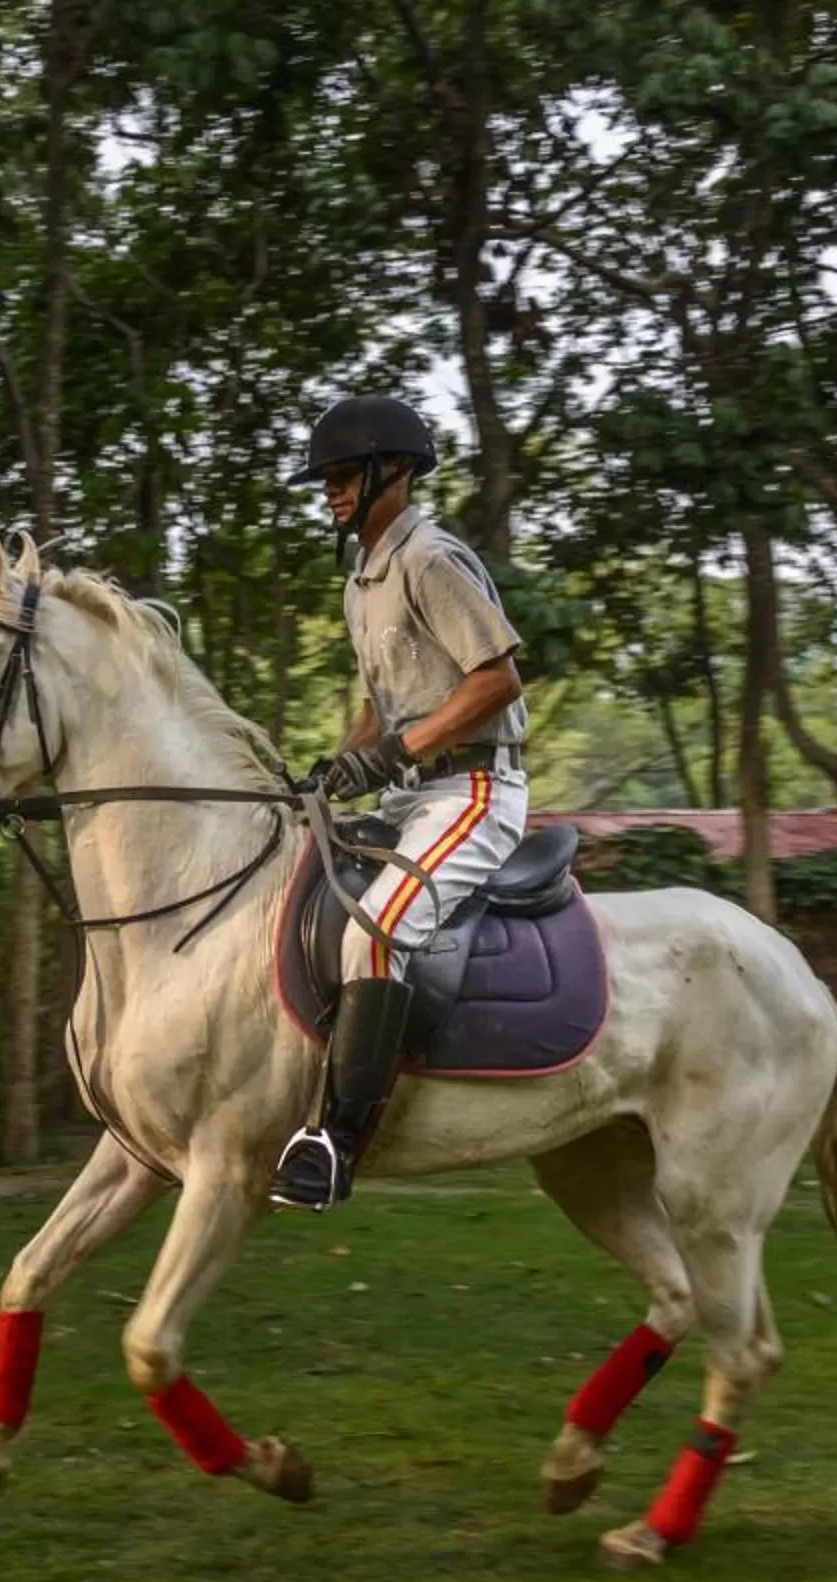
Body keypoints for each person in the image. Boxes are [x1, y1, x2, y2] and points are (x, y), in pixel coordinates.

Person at [272, 393, 533, 1211]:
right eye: (327, 479)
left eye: (345, 475)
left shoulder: (429, 557)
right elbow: (379, 708)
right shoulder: (363, 580)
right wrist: (337, 766)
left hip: (477, 788)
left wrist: (392, 754)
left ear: (397, 472)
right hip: (417, 793)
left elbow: (497, 679)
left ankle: (337, 1141)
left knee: (377, 932)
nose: (332, 492)